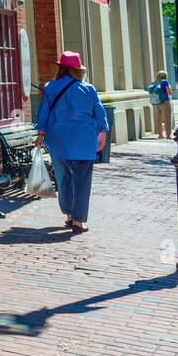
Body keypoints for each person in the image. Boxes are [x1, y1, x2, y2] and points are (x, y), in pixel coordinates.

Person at [34, 51, 109, 235]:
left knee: (63, 179)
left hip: (57, 140)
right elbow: (100, 114)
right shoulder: (88, 89)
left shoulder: (50, 87)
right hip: (83, 141)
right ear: (78, 71)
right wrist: (103, 133)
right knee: (82, 181)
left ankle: (68, 215)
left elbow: (43, 113)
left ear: (61, 68)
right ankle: (78, 221)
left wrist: (41, 133)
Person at [149, 69, 173, 138]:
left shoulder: (154, 82)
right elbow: (169, 92)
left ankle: (160, 134)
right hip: (164, 102)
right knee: (167, 118)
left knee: (157, 119)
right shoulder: (165, 82)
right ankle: (168, 135)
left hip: (155, 102)